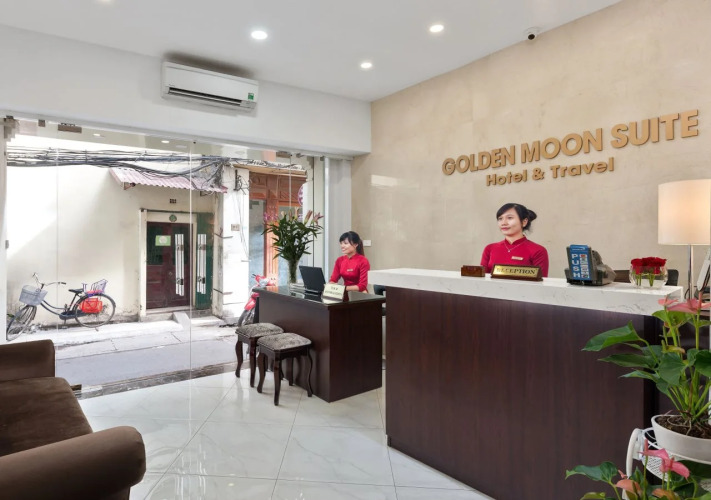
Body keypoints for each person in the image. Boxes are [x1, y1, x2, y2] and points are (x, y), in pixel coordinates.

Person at [480, 203, 549, 277]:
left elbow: (540, 281)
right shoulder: (490, 249)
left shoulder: (538, 251)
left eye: (509, 218)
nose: (503, 223)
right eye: (500, 219)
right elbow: (482, 279)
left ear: (524, 222)